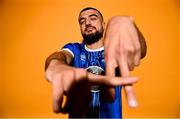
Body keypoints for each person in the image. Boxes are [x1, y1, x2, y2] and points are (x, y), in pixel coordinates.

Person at [45, 7, 147, 118]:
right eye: (82, 21)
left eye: (93, 18)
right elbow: (61, 56)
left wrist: (130, 24)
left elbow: (140, 51)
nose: (87, 23)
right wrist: (55, 64)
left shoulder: (115, 50)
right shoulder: (75, 49)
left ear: (103, 24)